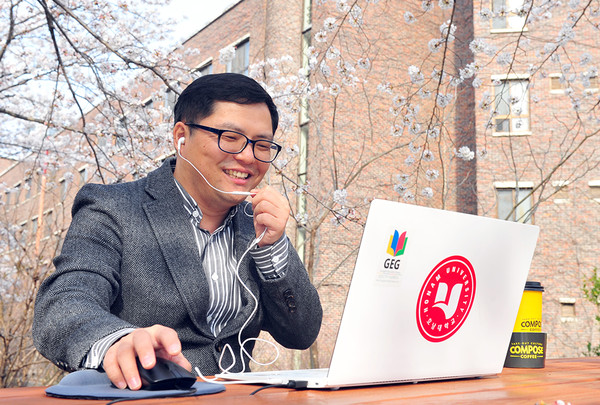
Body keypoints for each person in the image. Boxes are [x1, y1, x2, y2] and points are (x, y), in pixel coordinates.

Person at [33, 73, 323, 390]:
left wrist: (274, 247)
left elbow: (301, 333)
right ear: (181, 136)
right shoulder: (112, 208)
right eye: (230, 137)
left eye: (262, 145)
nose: (248, 156)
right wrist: (118, 341)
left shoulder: (257, 224)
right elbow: (63, 305)